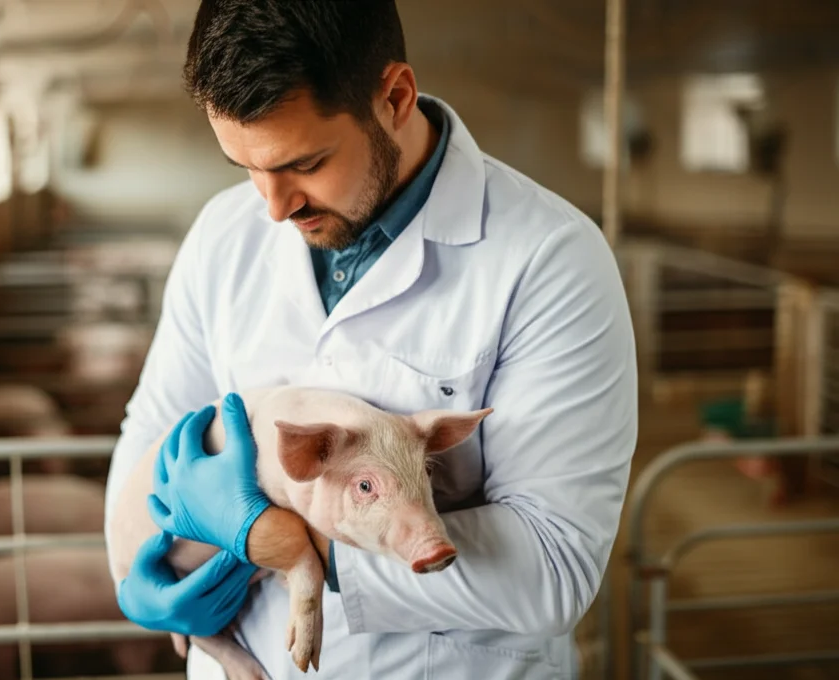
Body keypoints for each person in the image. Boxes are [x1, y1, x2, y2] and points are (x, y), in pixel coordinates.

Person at [103, 1, 638, 678]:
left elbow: (554, 567)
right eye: (246, 166)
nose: (274, 206)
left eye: (306, 162)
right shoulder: (222, 234)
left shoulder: (549, 258)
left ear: (395, 98)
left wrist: (282, 541)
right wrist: (133, 566)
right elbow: (151, 425)